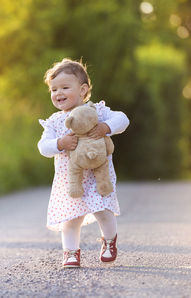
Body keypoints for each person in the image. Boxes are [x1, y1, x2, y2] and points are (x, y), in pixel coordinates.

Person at [38, 58, 129, 268]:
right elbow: (43, 147)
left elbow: (123, 119)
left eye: (65, 87)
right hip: (70, 180)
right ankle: (70, 253)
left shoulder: (97, 111)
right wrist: (60, 143)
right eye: (53, 89)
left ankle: (108, 241)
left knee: (103, 212)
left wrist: (106, 127)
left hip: (98, 176)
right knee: (70, 219)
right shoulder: (54, 121)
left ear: (83, 89)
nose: (58, 93)